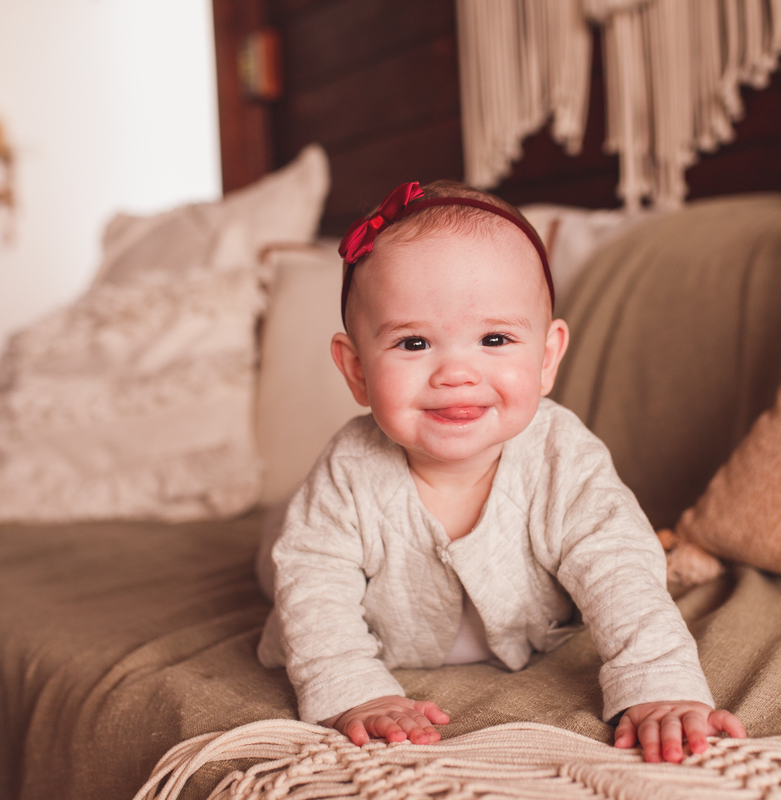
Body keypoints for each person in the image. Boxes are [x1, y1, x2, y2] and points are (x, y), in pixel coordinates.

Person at [257, 179, 746, 764]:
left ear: (546, 359)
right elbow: (313, 589)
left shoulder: (562, 456)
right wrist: (356, 694)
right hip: (365, 606)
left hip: (531, 623)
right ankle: (276, 522)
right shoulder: (349, 471)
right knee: (286, 557)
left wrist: (660, 685)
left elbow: (618, 565)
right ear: (357, 370)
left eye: (494, 338)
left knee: (629, 545)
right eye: (413, 343)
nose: (456, 373)